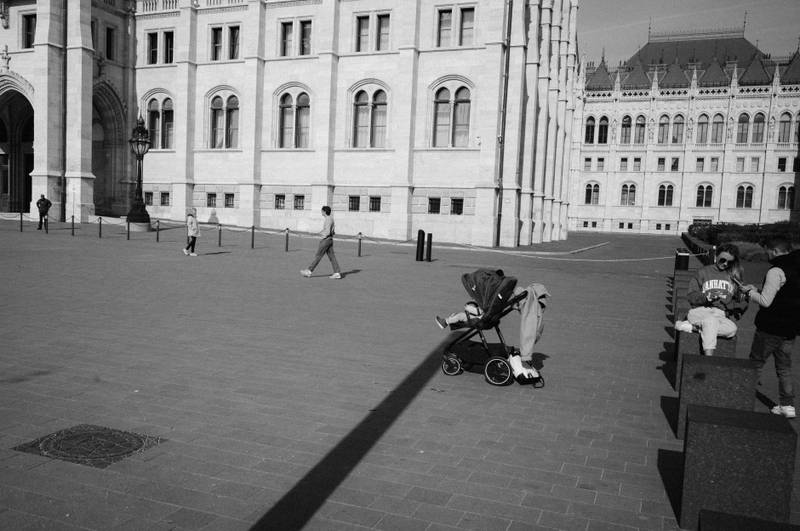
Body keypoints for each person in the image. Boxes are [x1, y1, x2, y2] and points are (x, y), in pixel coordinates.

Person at [741, 237, 799, 419]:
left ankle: (743, 398)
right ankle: (788, 406)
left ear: (774, 251)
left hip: (770, 326)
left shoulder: (776, 270)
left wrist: (750, 293)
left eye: (767, 251)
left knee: (755, 363)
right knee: (784, 368)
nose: (766, 254)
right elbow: (784, 293)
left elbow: (766, 301)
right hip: (790, 328)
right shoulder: (797, 268)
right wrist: (758, 289)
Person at [675, 243, 747, 355]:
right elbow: (691, 295)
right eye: (722, 260)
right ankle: (708, 358)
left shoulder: (734, 275)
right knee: (710, 321)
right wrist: (707, 297)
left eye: (730, 262)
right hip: (700, 311)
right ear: (716, 256)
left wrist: (743, 296)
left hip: (720, 314)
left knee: (732, 329)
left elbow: (740, 302)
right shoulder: (703, 272)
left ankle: (692, 327)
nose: (725, 264)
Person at [301, 206, 341, 279]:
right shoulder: (331, 218)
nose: (321, 212)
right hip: (330, 240)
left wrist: (323, 235)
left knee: (318, 256)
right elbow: (332, 231)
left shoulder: (328, 219)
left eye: (322, 211)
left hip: (326, 240)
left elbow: (328, 231)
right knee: (332, 257)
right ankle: (337, 272)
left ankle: (309, 271)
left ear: (325, 212)